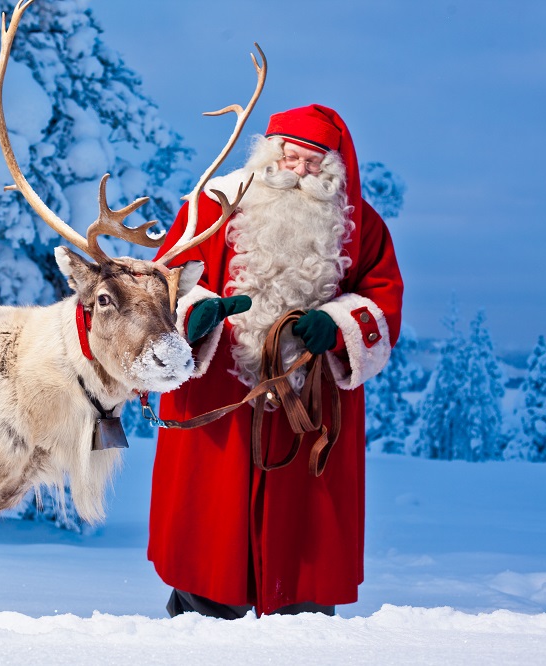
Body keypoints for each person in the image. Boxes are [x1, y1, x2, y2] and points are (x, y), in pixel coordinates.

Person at [149, 104, 404, 619]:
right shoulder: (213, 206)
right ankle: (198, 635)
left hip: (310, 409)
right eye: (291, 157)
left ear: (333, 168)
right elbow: (163, 283)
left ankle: (301, 635)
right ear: (269, 152)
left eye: (315, 163)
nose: (300, 171)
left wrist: (338, 324)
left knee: (304, 556)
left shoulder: (359, 223)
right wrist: (194, 317)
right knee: (208, 543)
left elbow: (383, 297)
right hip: (219, 398)